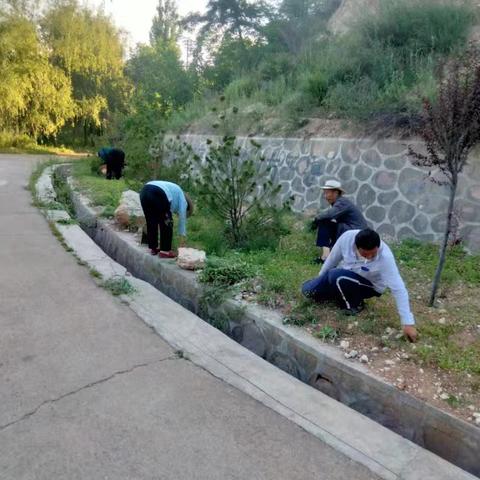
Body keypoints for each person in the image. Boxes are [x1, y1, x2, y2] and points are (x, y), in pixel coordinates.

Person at [302, 228, 418, 342]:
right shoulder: (347, 239)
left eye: (373, 254)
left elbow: (398, 288)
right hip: (346, 277)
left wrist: (407, 322)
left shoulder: (385, 257)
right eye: (365, 254)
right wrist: (320, 279)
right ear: (356, 247)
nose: (369, 257)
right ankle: (338, 294)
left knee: (337, 276)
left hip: (369, 286)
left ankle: (354, 305)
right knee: (307, 290)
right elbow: (332, 260)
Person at [311, 179, 368, 264]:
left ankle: (326, 257)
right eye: (325, 193)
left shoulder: (342, 202)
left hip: (355, 231)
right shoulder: (340, 202)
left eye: (327, 193)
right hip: (352, 229)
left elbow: (329, 214)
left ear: (336, 193)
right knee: (329, 224)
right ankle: (330, 255)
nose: (325, 196)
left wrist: (316, 219)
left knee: (324, 222)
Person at [139, 180, 193, 258]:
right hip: (158, 192)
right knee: (167, 222)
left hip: (144, 191)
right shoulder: (183, 200)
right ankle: (165, 251)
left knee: (151, 220)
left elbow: (164, 210)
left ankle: (153, 248)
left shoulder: (174, 191)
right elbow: (182, 217)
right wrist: (182, 234)